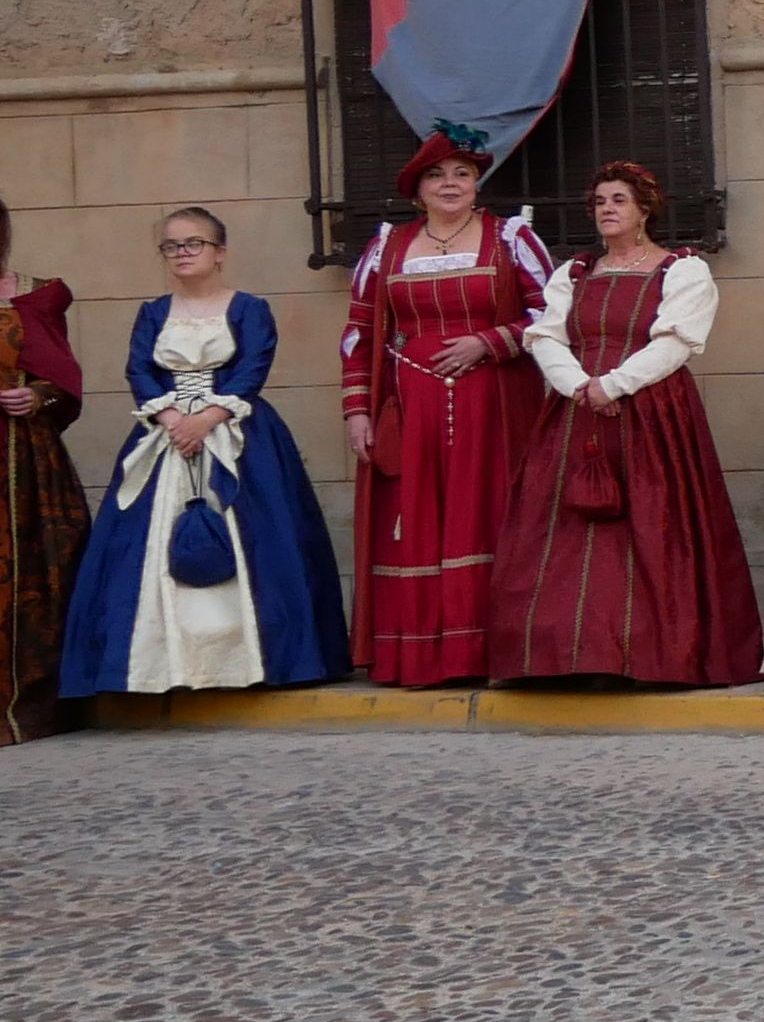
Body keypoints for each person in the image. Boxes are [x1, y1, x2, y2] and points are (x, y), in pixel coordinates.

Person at [491, 160, 764, 687]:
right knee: (562, 533)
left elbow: (676, 342)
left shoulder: (682, 270)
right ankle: (564, 658)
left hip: (651, 412)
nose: (607, 210)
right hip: (574, 416)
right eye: (599, 202)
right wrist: (577, 385)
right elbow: (546, 335)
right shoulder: (573, 272)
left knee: (651, 527)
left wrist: (612, 385)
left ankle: (645, 657)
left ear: (644, 209)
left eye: (618, 200)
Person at [56, 207, 347, 699]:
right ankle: (161, 666)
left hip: (238, 434)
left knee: (259, 541)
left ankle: (255, 661)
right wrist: (173, 421)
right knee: (144, 545)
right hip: (167, 434)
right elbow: (139, 371)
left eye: (194, 243)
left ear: (220, 253)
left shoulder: (249, 308)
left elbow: (253, 366)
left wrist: (208, 419)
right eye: (171, 246)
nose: (182, 253)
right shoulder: (152, 312)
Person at [337, 134, 558, 689]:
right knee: (414, 522)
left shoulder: (512, 238)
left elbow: (555, 314)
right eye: (437, 176)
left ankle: (492, 654)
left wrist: (489, 342)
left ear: (476, 183)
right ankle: (418, 656)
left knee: (487, 514)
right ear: (418, 191)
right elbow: (359, 333)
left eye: (462, 173)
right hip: (410, 410)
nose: (451, 184)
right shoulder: (386, 247)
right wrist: (357, 411)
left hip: (496, 408)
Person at [0, 194, 83, 741]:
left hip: (21, 462)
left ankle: (28, 708)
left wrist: (40, 397)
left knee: (33, 571)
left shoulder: (38, 296)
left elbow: (65, 379)